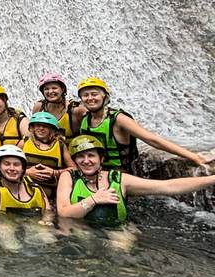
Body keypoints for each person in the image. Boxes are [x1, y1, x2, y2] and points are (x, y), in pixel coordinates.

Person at [57, 135, 215, 226]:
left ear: (101, 158)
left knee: (121, 253)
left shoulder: (120, 180)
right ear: (75, 160)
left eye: (91, 155)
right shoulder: (68, 176)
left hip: (116, 231)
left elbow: (168, 186)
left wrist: (212, 179)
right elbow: (63, 213)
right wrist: (93, 200)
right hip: (80, 229)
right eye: (81, 157)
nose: (86, 161)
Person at [77, 76, 211, 172]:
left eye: (94, 94)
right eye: (85, 95)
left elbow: (152, 139)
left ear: (104, 97)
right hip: (93, 173)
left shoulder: (119, 119)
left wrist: (194, 156)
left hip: (120, 174)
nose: (90, 98)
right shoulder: (84, 119)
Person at [0, 145, 50, 215]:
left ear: (23, 168)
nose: (12, 168)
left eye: (16, 164)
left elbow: (48, 215)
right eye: (7, 164)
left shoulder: (36, 189)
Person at [20, 111, 75, 201]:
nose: (41, 128)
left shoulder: (60, 146)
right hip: (25, 195)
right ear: (32, 128)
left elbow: (74, 169)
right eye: (38, 125)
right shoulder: (24, 142)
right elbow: (8, 166)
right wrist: (27, 172)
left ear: (52, 129)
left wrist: (54, 172)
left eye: (45, 126)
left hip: (51, 197)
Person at [31, 72, 84, 141]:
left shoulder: (75, 109)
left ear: (62, 89)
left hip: (71, 149)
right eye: (46, 89)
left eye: (54, 88)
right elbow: (33, 131)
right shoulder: (39, 107)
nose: (50, 91)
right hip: (47, 149)